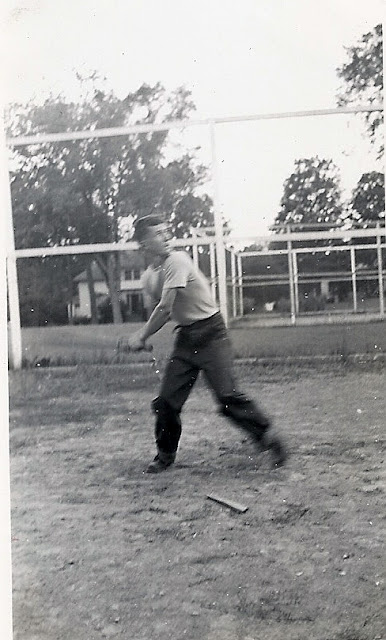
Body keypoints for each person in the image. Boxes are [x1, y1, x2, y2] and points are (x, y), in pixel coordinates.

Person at [127, 215, 287, 473]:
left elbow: (166, 308)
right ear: (143, 244)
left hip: (212, 333)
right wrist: (145, 337)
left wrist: (142, 336)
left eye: (167, 231)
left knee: (227, 396)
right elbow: (157, 311)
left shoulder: (177, 260)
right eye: (158, 233)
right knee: (166, 402)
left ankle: (269, 439)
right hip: (186, 340)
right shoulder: (147, 278)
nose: (167, 236)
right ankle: (165, 454)